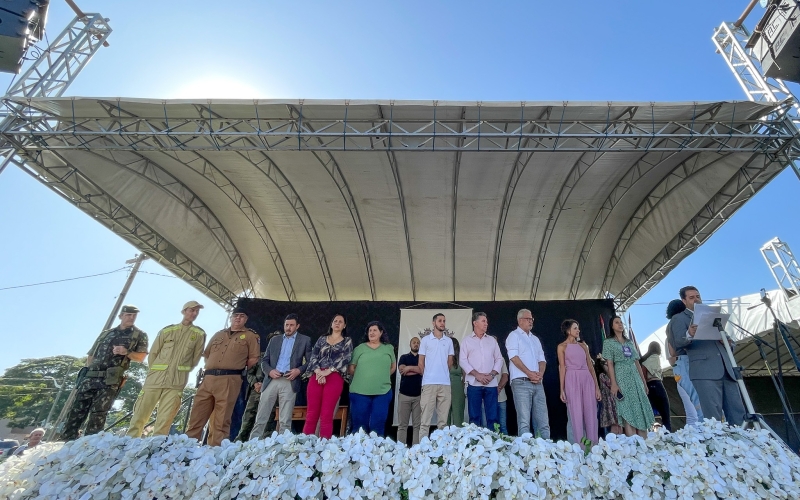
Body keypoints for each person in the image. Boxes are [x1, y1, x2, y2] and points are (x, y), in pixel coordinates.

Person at [59, 305, 148, 441]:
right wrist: (89, 371)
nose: (131, 317)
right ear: (121, 316)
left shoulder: (139, 335)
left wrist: (126, 352)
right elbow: (91, 355)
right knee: (75, 411)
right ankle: (65, 440)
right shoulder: (106, 333)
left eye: (134, 315)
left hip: (110, 380)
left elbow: (141, 357)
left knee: (98, 414)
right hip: (90, 377)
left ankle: (90, 444)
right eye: (128, 314)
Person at [127, 301, 206, 438]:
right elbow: (153, 354)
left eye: (196, 311)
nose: (194, 314)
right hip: (154, 380)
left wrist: (180, 371)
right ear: (184, 311)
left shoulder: (199, 334)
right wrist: (157, 370)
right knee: (140, 414)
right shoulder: (167, 330)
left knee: (165, 419)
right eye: (191, 310)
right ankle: (129, 443)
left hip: (176, 382)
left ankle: (155, 448)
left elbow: (195, 359)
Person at [670, 286, 745, 426]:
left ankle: (741, 443)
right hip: (704, 371)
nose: (696, 299)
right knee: (712, 417)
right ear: (684, 301)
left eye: (698, 296)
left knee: (737, 412)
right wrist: (689, 334)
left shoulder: (713, 316)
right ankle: (718, 446)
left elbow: (730, 342)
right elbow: (676, 343)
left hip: (726, 368)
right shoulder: (679, 318)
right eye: (691, 298)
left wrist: (728, 342)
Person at [185, 307, 260, 446]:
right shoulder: (218, 334)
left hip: (230, 379)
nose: (238, 318)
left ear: (246, 319)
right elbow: (207, 354)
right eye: (235, 315)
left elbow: (253, 359)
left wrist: (235, 367)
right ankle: (186, 450)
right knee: (196, 417)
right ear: (231, 317)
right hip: (208, 378)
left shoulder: (250, 336)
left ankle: (214, 453)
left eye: (242, 316)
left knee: (221, 420)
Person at [250, 314, 312, 439]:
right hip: (272, 379)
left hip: (290, 380)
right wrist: (270, 371)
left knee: (285, 418)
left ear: (297, 326)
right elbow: (264, 361)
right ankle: (253, 444)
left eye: (291, 325)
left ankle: (284, 446)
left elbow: (311, 362)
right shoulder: (275, 340)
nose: (288, 328)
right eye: (286, 325)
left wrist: (298, 371)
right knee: (261, 415)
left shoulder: (305, 340)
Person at [602, 316, 654, 438]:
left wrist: (644, 382)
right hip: (621, 375)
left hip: (635, 376)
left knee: (640, 407)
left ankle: (644, 440)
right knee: (627, 407)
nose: (620, 324)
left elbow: (637, 362)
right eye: (617, 322)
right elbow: (609, 363)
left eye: (621, 322)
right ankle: (633, 441)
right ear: (612, 326)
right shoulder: (608, 342)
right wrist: (613, 383)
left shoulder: (629, 342)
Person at [303, 314, 353, 439]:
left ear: (344, 325)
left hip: (334, 377)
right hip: (316, 375)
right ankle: (305, 445)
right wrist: (319, 371)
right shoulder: (321, 339)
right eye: (335, 321)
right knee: (311, 413)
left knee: (326, 414)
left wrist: (329, 371)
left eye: (340, 321)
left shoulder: (347, 341)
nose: (337, 323)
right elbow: (313, 356)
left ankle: (324, 446)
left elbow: (345, 358)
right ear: (331, 324)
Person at [506, 309, 550, 438]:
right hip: (521, 381)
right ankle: (526, 454)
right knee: (524, 421)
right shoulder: (513, 336)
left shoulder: (535, 339)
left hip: (537, 382)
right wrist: (529, 373)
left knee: (543, 421)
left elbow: (542, 359)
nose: (531, 321)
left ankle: (546, 453)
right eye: (528, 319)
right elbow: (513, 357)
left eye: (532, 319)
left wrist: (540, 374)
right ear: (520, 320)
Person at [348, 321, 396, 436]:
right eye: (370, 330)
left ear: (381, 333)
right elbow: (351, 368)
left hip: (382, 392)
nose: (372, 332)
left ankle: (376, 451)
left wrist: (381, 376)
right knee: (359, 427)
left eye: (375, 330)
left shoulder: (388, 348)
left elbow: (393, 367)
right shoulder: (359, 348)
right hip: (360, 392)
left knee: (378, 425)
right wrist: (364, 377)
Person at [558, 320, 601, 445]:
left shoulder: (583, 346)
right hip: (571, 379)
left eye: (578, 328)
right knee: (576, 414)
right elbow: (562, 367)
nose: (578, 330)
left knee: (591, 413)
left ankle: (593, 447)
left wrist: (597, 387)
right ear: (568, 331)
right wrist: (562, 389)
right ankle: (580, 449)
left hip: (587, 379)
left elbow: (591, 366)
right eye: (575, 328)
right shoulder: (562, 347)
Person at [460, 312, 503, 430]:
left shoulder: (492, 341)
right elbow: (462, 361)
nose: (486, 324)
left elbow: (499, 359)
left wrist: (492, 374)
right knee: (474, 417)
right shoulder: (466, 341)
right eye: (483, 321)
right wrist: (477, 375)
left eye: (487, 321)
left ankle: (493, 444)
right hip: (474, 384)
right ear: (475, 323)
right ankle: (475, 445)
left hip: (491, 384)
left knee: (493, 417)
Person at [665, 298, 704, 426]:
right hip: (684, 363)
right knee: (697, 405)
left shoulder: (670, 327)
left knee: (691, 410)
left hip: (678, 368)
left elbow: (671, 354)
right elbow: (673, 352)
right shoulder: (677, 325)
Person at [418, 313, 455, 441]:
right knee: (425, 421)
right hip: (429, 383)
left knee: (443, 422)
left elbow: (450, 362)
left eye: (444, 321)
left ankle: (442, 449)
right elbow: (421, 362)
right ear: (433, 323)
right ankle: (422, 449)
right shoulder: (425, 340)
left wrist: (442, 373)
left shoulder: (449, 341)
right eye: (440, 321)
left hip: (445, 384)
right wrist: (428, 376)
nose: (442, 323)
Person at [639, 342, 672, 432]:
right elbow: (645, 368)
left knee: (648, 415)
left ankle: (648, 435)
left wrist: (645, 384)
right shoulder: (655, 357)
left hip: (649, 385)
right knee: (665, 414)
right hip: (656, 384)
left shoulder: (646, 359)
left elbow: (643, 369)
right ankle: (668, 434)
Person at [397, 337, 423, 445]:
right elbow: (402, 371)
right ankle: (400, 449)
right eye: (414, 342)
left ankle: (416, 450)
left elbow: (423, 371)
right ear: (410, 344)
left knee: (417, 425)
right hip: (404, 395)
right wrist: (417, 370)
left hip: (419, 396)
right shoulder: (404, 357)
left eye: (418, 343)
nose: (416, 344)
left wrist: (409, 368)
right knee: (403, 425)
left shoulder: (422, 359)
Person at [594, 354, 622, 435]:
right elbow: (610, 384)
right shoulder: (602, 376)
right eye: (606, 365)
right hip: (609, 402)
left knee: (618, 424)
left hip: (614, 401)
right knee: (613, 423)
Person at [447, 337, 466, 427]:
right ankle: (444, 438)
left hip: (457, 386)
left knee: (457, 413)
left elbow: (465, 374)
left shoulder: (461, 358)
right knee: (445, 413)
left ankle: (458, 437)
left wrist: (463, 385)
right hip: (445, 386)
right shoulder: (444, 357)